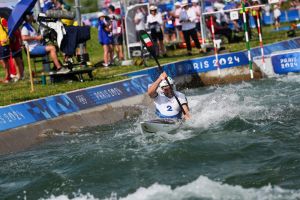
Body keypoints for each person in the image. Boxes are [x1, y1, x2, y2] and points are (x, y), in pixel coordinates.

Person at [0, 17, 10, 83]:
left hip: (3, 43)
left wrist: (7, 38)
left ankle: (7, 77)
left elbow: (9, 30)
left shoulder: (2, 20)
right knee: (1, 61)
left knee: (4, 60)